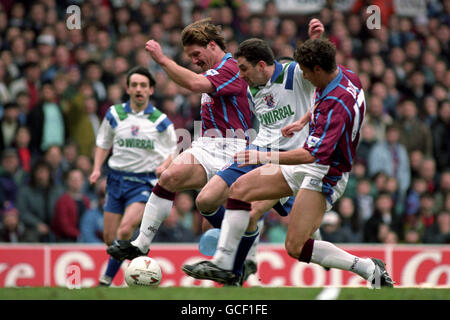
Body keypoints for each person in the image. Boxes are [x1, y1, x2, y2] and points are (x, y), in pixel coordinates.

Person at [182, 39, 394, 288]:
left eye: (304, 71)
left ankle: (368, 267)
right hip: (304, 158)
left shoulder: (337, 105)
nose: (301, 75)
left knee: (296, 246)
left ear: (317, 70)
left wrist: (263, 157)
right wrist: (304, 120)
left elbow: (310, 155)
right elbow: (321, 99)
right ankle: (224, 264)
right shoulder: (347, 76)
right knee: (239, 191)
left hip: (326, 172)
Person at [106, 18, 252, 264]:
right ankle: (141, 245)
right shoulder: (214, 72)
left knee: (212, 218)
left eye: (197, 54)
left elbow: (194, 84)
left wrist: (162, 60)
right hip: (208, 145)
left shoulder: (231, 68)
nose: (194, 61)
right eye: (191, 57)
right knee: (168, 178)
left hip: (234, 150)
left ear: (213, 45)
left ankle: (244, 256)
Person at [191, 19, 325, 285]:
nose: (241, 75)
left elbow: (323, 75)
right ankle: (240, 247)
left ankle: (233, 269)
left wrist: (317, 41)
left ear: (262, 65)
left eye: (244, 69)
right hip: (259, 151)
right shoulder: (253, 88)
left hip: (288, 162)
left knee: (249, 212)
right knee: (206, 200)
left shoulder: (296, 76)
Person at [89, 66, 177, 286]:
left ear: (150, 90)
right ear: (127, 88)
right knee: (111, 239)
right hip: (116, 180)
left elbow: (174, 149)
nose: (139, 89)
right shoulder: (114, 114)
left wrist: (164, 166)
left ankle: (105, 280)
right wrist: (96, 168)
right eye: (135, 85)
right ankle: (141, 266)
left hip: (144, 182)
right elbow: (102, 143)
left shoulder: (160, 121)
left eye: (143, 85)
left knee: (125, 229)